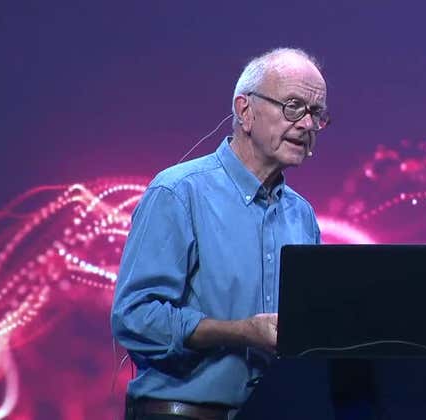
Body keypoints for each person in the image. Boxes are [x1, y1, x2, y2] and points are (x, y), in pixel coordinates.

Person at [111, 47, 329, 420]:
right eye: (293, 107)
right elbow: (135, 318)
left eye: (316, 113)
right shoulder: (179, 193)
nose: (307, 125)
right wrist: (240, 332)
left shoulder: (302, 216)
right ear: (245, 111)